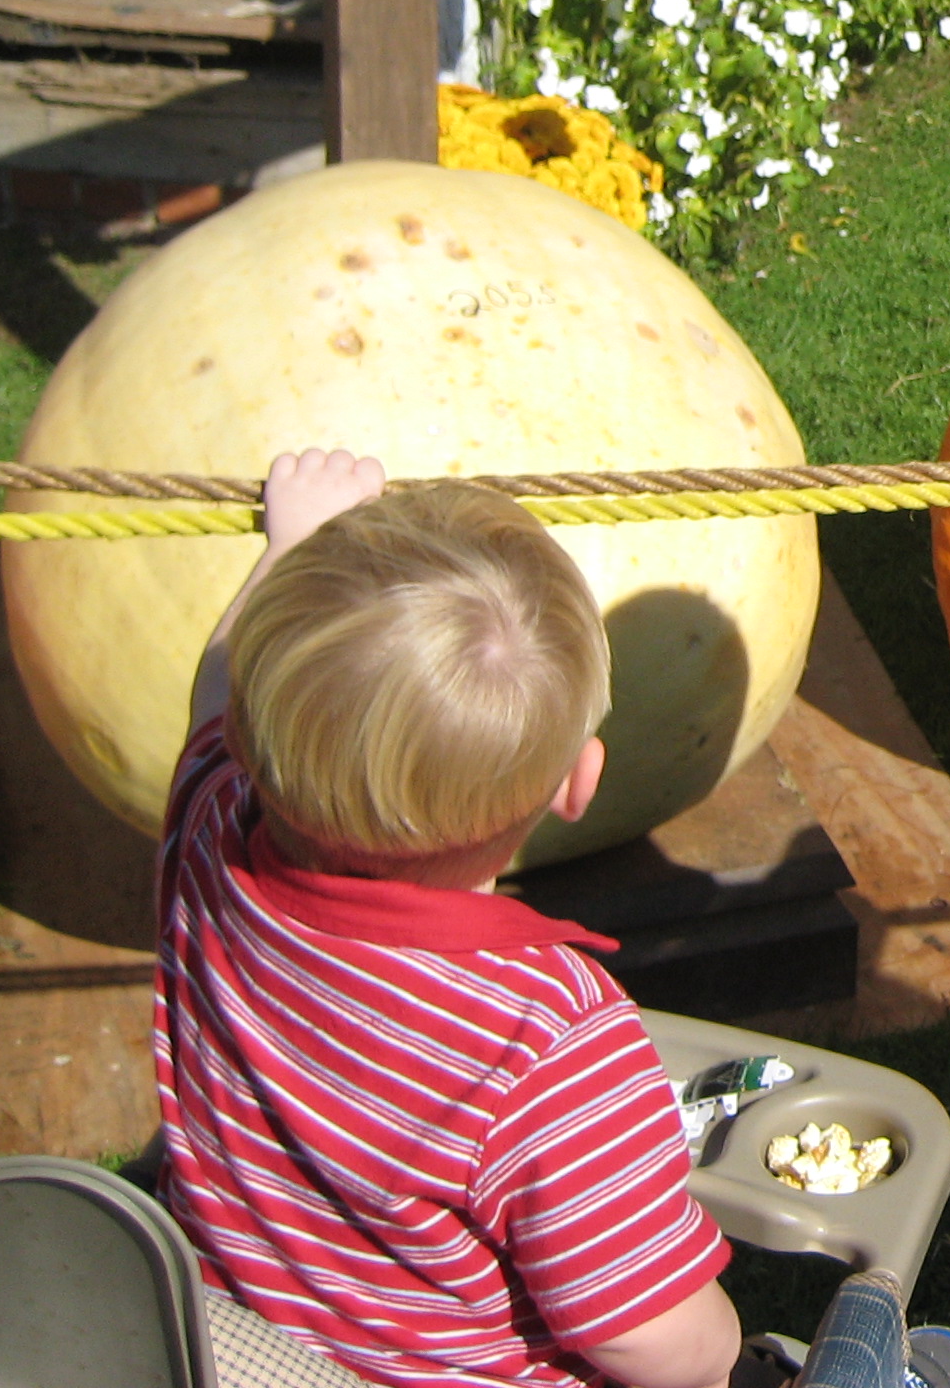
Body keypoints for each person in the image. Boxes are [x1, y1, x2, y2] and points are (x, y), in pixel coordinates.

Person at [154, 451, 741, 1388]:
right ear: (578, 785)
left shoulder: (212, 841)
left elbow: (216, 690)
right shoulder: (547, 1040)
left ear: (246, 741)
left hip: (234, 1355)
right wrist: (724, 1350)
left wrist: (292, 545)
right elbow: (654, 1343)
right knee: (869, 1345)